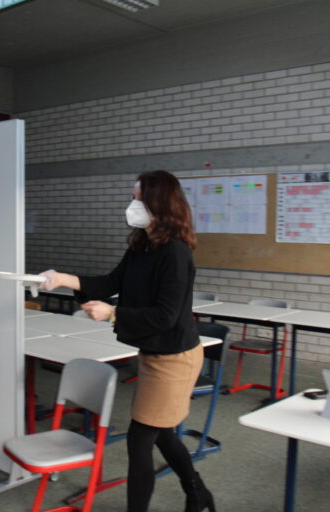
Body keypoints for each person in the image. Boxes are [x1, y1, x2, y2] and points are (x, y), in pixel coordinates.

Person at [39, 170, 215, 512]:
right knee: (162, 433)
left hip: (175, 358)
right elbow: (109, 283)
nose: (133, 205)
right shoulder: (142, 246)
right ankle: (197, 492)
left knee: (140, 439)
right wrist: (59, 278)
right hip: (154, 352)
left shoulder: (175, 253)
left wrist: (113, 313)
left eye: (139, 199)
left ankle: (174, 499)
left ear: (159, 204)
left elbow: (165, 315)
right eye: (133, 198)